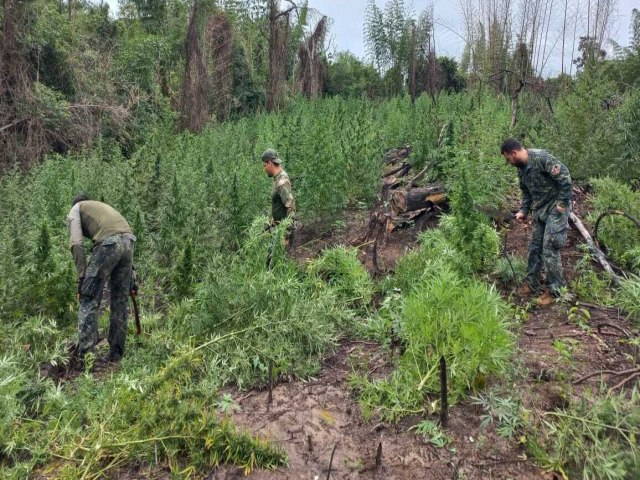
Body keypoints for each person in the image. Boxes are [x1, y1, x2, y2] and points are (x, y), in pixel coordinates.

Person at [501, 139, 573, 305]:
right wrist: (523, 211)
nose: (508, 162)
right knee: (535, 246)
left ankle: (554, 292)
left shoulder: (542, 158)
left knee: (550, 248)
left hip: (556, 208)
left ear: (514, 153)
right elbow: (526, 192)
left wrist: (562, 204)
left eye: (508, 159)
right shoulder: (521, 169)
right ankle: (531, 285)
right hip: (540, 211)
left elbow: (565, 178)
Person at [67, 194, 136, 362]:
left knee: (88, 297)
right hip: (128, 242)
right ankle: (116, 354)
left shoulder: (75, 209)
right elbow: (122, 238)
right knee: (120, 301)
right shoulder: (101, 208)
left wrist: (82, 277)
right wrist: (132, 279)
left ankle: (85, 358)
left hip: (110, 243)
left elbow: (76, 243)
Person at [261, 149, 296, 226]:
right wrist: (275, 218)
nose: (264, 169)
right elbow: (280, 202)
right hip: (280, 228)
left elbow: (290, 207)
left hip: (285, 232)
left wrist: (286, 234)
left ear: (269, 163)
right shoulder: (278, 178)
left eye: (264, 165)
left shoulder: (282, 181)